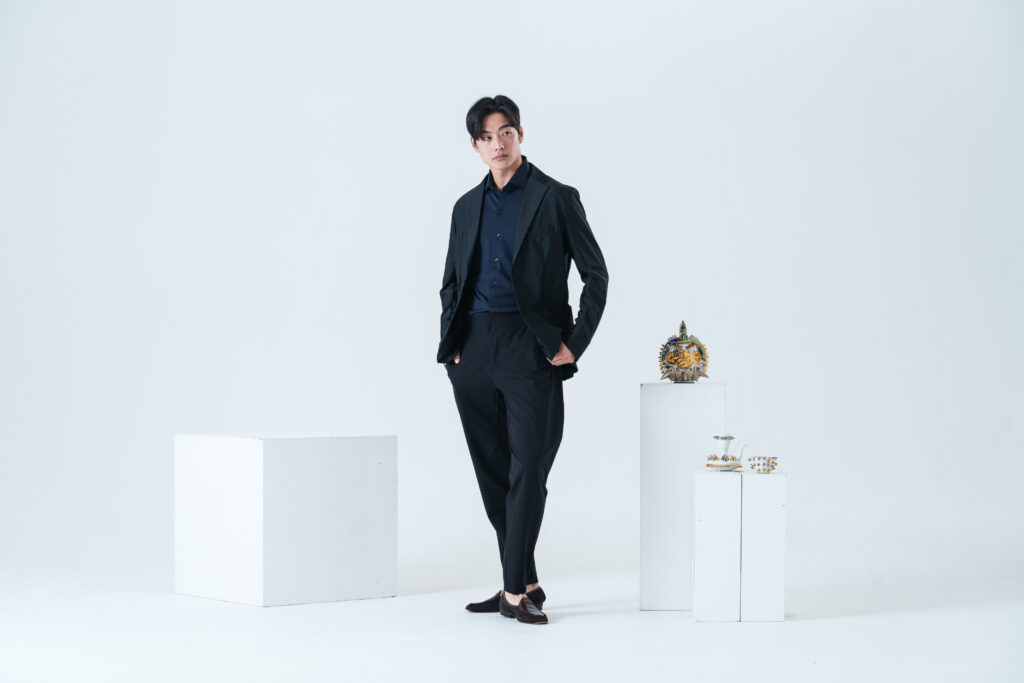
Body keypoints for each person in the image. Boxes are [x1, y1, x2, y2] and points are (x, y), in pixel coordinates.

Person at [436, 95, 609, 625]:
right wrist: (453, 341)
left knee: (529, 466)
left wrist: (573, 342)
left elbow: (596, 275)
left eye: (506, 133)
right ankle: (523, 581)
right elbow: (451, 283)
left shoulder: (556, 197)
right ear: (475, 145)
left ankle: (513, 591)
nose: (498, 144)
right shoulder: (465, 206)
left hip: (531, 345)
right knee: (492, 471)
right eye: (487, 137)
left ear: (520, 135)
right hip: (473, 349)